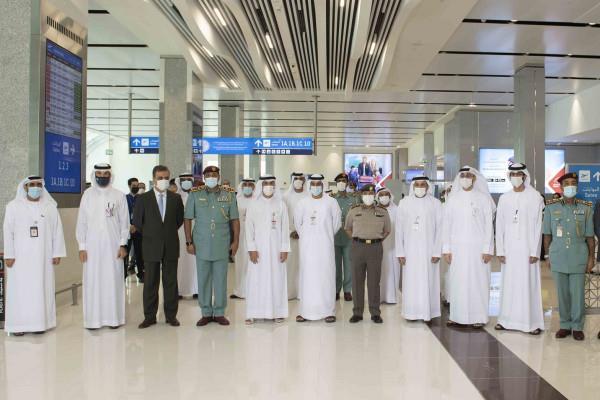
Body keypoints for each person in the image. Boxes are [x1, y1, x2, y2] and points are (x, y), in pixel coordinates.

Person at [3, 176, 66, 336]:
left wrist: (57, 252)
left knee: (41, 289)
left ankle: (40, 324)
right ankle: (18, 326)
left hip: (43, 258)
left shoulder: (50, 207)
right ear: (25, 187)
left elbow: (57, 231)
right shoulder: (13, 207)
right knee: (20, 291)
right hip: (20, 258)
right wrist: (9, 254)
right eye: (32, 185)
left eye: (38, 184)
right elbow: (7, 231)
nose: (35, 187)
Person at [184, 166, 240, 327]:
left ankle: (220, 312)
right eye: (208, 175)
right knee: (203, 279)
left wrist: (236, 241)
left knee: (221, 279)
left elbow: (235, 220)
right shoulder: (195, 194)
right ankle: (206, 313)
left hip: (222, 243)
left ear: (219, 177)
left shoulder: (229, 194)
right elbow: (187, 218)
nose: (211, 177)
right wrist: (189, 242)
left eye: (214, 175)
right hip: (201, 244)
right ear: (204, 177)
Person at [76, 164, 129, 330]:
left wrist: (123, 244)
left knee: (113, 281)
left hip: (113, 247)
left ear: (110, 175)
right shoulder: (87, 195)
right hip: (91, 248)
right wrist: (82, 246)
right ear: (94, 175)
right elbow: (82, 222)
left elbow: (124, 223)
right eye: (99, 173)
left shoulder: (119, 195)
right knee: (93, 281)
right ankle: (93, 321)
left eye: (106, 173)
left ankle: (114, 319)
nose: (102, 176)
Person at [543, 172, 595, 341]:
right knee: (562, 293)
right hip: (558, 256)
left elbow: (590, 237)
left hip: (578, 256)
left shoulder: (586, 208)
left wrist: (591, 258)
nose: (570, 186)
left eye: (573, 183)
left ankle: (577, 326)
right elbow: (547, 234)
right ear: (561, 187)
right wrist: (547, 256)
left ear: (576, 186)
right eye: (567, 183)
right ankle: (565, 325)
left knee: (578, 294)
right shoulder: (551, 207)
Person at [494, 163, 544, 335]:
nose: (515, 177)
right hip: (509, 249)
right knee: (509, 285)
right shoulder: (504, 198)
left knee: (528, 284)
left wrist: (535, 251)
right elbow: (499, 225)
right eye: (513, 174)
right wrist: (500, 250)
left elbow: (538, 226)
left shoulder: (535, 197)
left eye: (518, 174)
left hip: (527, 249)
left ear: (524, 176)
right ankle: (505, 320)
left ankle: (531, 322)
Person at [443, 166, 495, 328]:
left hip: (478, 249)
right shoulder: (453, 199)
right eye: (463, 175)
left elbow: (489, 226)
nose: (465, 178)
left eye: (468, 175)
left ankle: (479, 317)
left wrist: (488, 249)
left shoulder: (483, 199)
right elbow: (447, 225)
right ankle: (457, 316)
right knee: (458, 282)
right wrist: (446, 249)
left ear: (474, 178)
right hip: (457, 249)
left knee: (478, 282)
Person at [133, 165, 185, 329]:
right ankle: (149, 317)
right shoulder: (143, 199)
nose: (163, 181)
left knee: (171, 282)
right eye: (160, 178)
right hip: (150, 246)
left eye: (166, 178)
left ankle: (171, 316)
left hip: (170, 245)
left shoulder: (176, 199)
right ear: (153, 179)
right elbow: (138, 223)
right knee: (150, 283)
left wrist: (165, 233)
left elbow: (179, 221)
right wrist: (153, 233)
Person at [294, 174, 342, 323]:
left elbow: (336, 224)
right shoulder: (302, 203)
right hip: (307, 247)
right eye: (313, 184)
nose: (316, 187)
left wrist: (325, 235)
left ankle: (328, 311)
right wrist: (308, 236)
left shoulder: (331, 202)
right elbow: (298, 224)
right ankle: (305, 312)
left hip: (325, 247)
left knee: (326, 277)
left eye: (318, 184)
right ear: (309, 186)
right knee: (307, 277)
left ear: (323, 185)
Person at [396, 176, 443, 322]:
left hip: (429, 251)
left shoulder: (435, 203)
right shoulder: (404, 203)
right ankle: (411, 312)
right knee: (411, 281)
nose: (420, 187)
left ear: (428, 187)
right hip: (409, 251)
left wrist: (437, 251)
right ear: (413, 186)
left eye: (423, 184)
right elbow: (399, 229)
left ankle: (428, 312)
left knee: (429, 280)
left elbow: (440, 229)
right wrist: (400, 252)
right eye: (417, 184)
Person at [244, 176, 290, 324]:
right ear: (261, 185)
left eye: (271, 183)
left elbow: (285, 228)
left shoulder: (281, 204)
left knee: (277, 279)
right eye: (265, 183)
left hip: (276, 250)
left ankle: (278, 312)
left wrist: (284, 248)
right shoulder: (253, 204)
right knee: (255, 280)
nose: (268, 186)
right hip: (258, 250)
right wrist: (251, 248)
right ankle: (253, 313)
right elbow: (249, 228)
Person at [345, 184, 390, 323]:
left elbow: (387, 230)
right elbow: (347, 228)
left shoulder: (382, 212)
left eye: (370, 194)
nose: (368, 197)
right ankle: (357, 313)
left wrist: (376, 240)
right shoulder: (353, 210)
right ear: (361, 195)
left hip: (375, 248)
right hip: (357, 247)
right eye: (365, 194)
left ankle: (375, 312)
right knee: (357, 281)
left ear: (374, 195)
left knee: (374, 282)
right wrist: (357, 239)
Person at [331, 173, 360, 301]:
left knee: (349, 266)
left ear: (347, 183)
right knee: (336, 266)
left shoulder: (354, 199)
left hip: (349, 237)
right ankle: (336, 290)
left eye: (343, 181)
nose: (341, 183)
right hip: (334, 237)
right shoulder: (331, 199)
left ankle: (347, 290)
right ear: (336, 184)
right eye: (339, 181)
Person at [283, 172, 308, 300]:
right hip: (290, 236)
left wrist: (302, 231)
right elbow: (283, 217)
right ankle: (290, 292)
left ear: (304, 181)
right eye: (296, 178)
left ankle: (302, 293)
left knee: (304, 264)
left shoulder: (308, 196)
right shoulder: (286, 197)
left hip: (305, 236)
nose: (298, 181)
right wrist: (290, 231)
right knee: (290, 265)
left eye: (300, 179)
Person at [231, 178, 256, 300]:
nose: (247, 187)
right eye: (245, 184)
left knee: (252, 264)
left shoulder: (258, 200)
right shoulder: (236, 200)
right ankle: (239, 291)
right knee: (240, 263)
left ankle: (253, 291)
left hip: (254, 237)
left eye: (250, 184)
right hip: (239, 237)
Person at [175, 173, 198, 299]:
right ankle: (179, 290)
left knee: (196, 261)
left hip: (196, 232)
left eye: (189, 179)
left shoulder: (198, 196)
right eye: (183, 180)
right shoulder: (175, 197)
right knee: (180, 262)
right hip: (179, 233)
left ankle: (197, 289)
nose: (186, 182)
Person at [377, 187, 401, 304]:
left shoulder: (397, 210)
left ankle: (392, 297)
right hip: (378, 246)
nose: (384, 197)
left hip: (394, 246)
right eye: (381, 195)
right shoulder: (375, 210)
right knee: (379, 271)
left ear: (390, 196)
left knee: (393, 270)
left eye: (386, 194)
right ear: (377, 197)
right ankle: (379, 297)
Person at [125, 177, 144, 282]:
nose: (136, 187)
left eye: (137, 185)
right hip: (126, 229)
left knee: (139, 253)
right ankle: (123, 274)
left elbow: (144, 214)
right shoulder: (124, 198)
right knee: (125, 253)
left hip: (138, 230)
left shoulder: (142, 198)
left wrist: (137, 226)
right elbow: (122, 215)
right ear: (129, 186)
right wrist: (129, 226)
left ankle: (141, 274)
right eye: (134, 186)